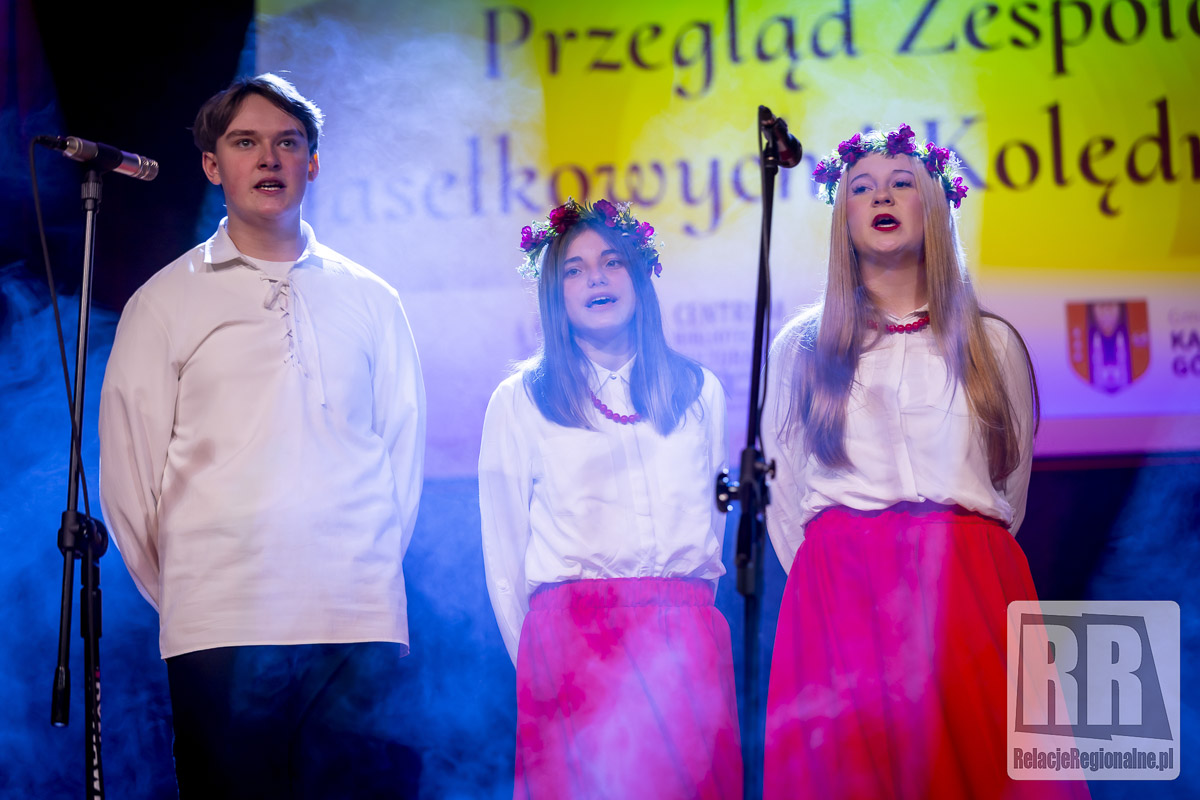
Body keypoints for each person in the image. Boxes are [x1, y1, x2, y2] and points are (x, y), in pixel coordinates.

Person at [98, 73, 425, 798]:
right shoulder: (165, 301)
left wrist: (362, 571)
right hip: (221, 621)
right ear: (212, 165)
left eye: (288, 142)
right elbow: (128, 480)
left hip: (355, 617)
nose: (269, 158)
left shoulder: (371, 298)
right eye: (245, 142)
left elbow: (402, 459)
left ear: (314, 162)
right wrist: (194, 594)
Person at [761, 125, 1088, 799]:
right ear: (843, 216)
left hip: (968, 588)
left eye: (901, 183)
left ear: (934, 204)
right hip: (844, 596)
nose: (882, 196)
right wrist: (843, 573)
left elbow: (1007, 488)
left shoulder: (990, 344)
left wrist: (954, 556)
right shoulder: (803, 349)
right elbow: (786, 495)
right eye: (862, 187)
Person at [479, 198, 742, 799]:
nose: (596, 278)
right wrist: (543, 664)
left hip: (683, 638)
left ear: (639, 276)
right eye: (574, 270)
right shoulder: (520, 400)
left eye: (612, 262)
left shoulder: (698, 390)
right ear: (554, 294)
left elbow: (713, 530)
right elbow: (504, 554)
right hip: (571, 646)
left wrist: (680, 623)